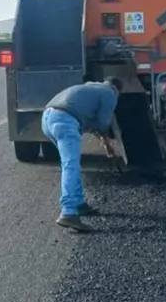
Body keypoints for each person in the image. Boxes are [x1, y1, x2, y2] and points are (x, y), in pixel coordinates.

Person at [41, 77, 123, 231]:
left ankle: (78, 204)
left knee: (71, 163)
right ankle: (68, 213)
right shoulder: (110, 93)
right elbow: (102, 122)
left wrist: (104, 141)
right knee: (70, 165)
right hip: (64, 120)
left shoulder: (91, 87)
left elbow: (88, 119)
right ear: (117, 90)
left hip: (47, 118)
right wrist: (107, 138)